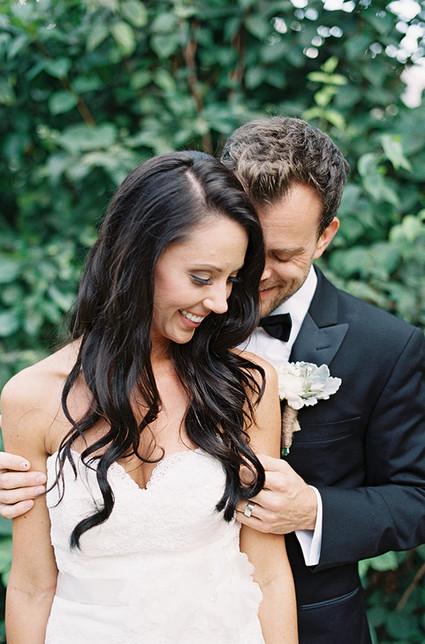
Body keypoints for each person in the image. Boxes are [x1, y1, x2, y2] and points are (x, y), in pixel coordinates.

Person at [0, 151, 298, 643]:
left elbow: (267, 573)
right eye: (201, 277)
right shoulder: (31, 398)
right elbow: (32, 587)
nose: (220, 302)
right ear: (138, 257)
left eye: (230, 279)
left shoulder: (245, 384)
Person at [219, 117, 425, 643]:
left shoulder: (388, 348)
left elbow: (417, 496)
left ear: (325, 236)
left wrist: (313, 509)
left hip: (316, 624)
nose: (256, 273)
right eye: (247, 246)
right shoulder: (176, 317)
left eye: (282, 255)